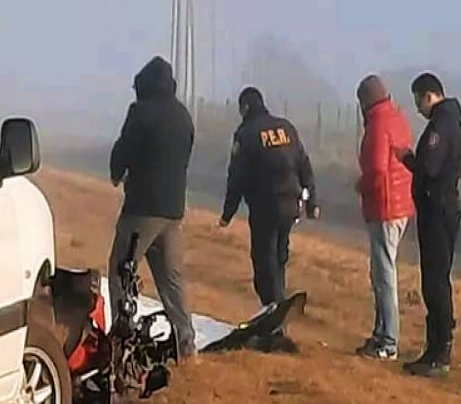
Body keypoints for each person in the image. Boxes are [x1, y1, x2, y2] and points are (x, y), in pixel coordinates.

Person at [108, 56, 198, 359]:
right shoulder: (183, 116)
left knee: (122, 269)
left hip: (142, 210)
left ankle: (122, 339)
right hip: (173, 212)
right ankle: (186, 344)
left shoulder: (141, 112)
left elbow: (125, 148)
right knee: (171, 279)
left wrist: (116, 172)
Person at [219, 87, 319, 307]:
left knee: (264, 260)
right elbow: (304, 164)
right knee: (279, 255)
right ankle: (279, 301)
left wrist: (228, 213)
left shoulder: (246, 133)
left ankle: (273, 311)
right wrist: (312, 201)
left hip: (265, 206)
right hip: (291, 204)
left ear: (245, 108)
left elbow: (237, 176)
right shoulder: (286, 128)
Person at [395, 73, 461, 377]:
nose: (418, 109)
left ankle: (439, 351)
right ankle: (436, 348)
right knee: (437, 279)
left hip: (437, 210)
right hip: (443, 207)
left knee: (435, 282)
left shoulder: (441, 125)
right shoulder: (452, 121)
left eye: (417, 101)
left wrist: (410, 161)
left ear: (428, 95)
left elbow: (430, 167)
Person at [354, 75, 415, 361]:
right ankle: (381, 333)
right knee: (380, 272)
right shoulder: (397, 117)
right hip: (400, 202)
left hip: (385, 205)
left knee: (384, 274)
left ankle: (388, 340)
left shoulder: (377, 124)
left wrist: (361, 186)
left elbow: (377, 169)